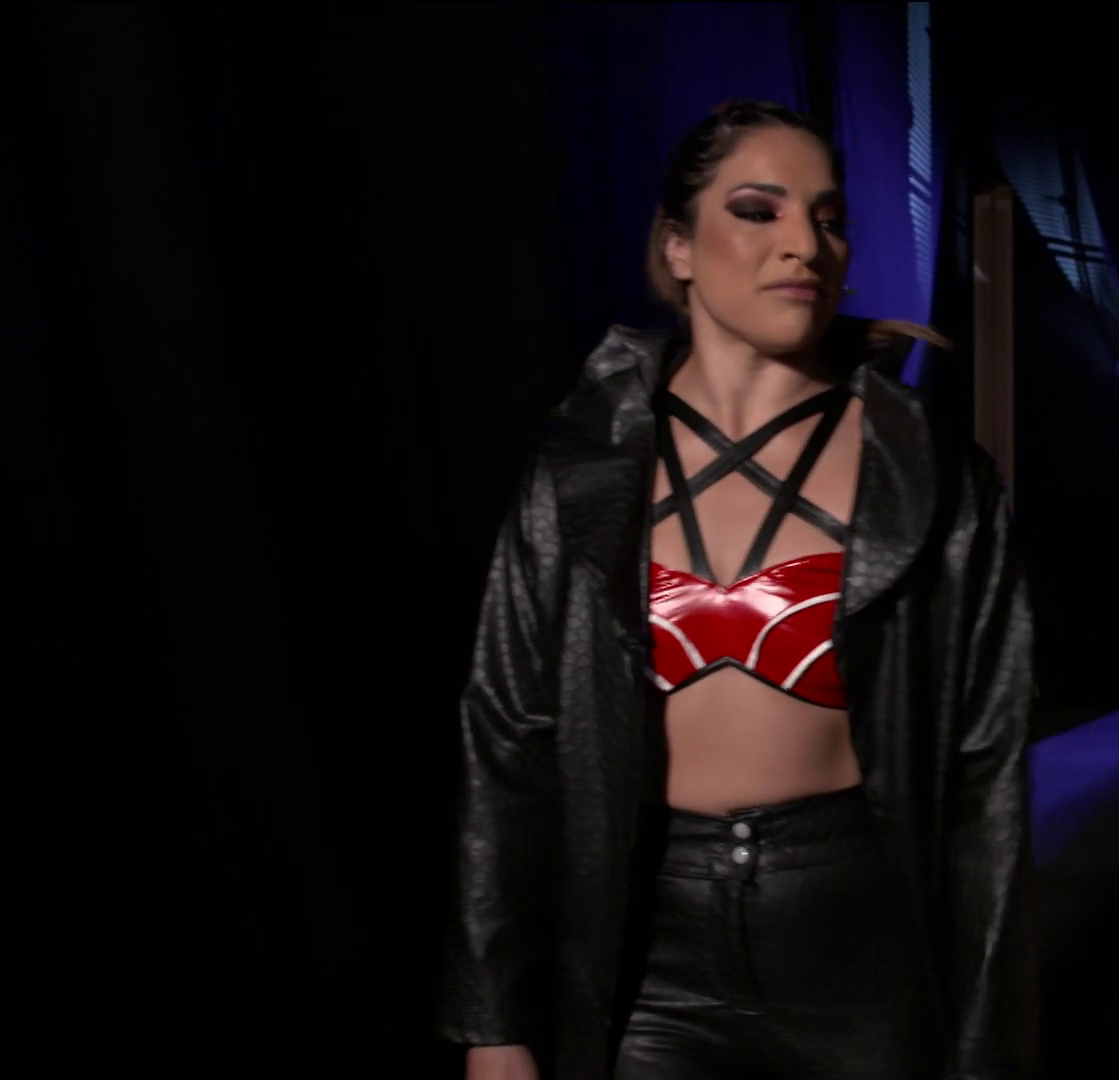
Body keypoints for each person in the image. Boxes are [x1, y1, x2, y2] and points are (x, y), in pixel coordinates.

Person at [435, 100, 1036, 1080]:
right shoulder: (581, 466)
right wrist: (493, 1023)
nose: (805, 243)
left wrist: (990, 1047)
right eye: (759, 210)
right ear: (677, 245)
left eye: (829, 218)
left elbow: (986, 776)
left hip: (860, 953)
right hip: (648, 960)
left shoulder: (927, 471)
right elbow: (507, 742)